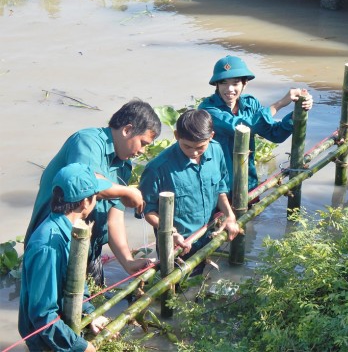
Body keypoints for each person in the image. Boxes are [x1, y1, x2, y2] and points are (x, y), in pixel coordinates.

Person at [24, 99, 161, 285]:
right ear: (127, 130)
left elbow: (114, 218)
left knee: (90, 306)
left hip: (88, 246)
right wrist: (127, 192)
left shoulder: (123, 166)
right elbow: (87, 184)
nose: (142, 152)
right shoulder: (87, 141)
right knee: (50, 307)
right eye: (142, 143)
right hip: (54, 242)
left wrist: (128, 262)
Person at [19, 163, 112, 351]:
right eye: (95, 196)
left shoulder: (71, 231)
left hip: (64, 328)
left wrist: (90, 315)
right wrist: (82, 347)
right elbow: (43, 316)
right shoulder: (48, 246)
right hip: (47, 343)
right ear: (85, 202)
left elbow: (75, 282)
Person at [138, 109, 239, 274]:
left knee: (203, 280)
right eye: (187, 146)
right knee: (176, 287)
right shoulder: (157, 169)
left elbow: (220, 187)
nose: (193, 152)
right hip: (179, 244)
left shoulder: (216, 150)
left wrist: (229, 215)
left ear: (211, 136)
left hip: (209, 235)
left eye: (200, 147)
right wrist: (170, 232)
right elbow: (148, 210)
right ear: (177, 135)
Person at [198, 55, 313, 193]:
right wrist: (280, 103)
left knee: (250, 212)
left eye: (235, 83)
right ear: (216, 85)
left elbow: (275, 134)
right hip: (218, 183)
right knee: (223, 215)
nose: (229, 89)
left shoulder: (250, 103)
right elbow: (240, 127)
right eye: (223, 83)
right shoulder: (207, 109)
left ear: (244, 84)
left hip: (248, 178)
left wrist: (296, 114)